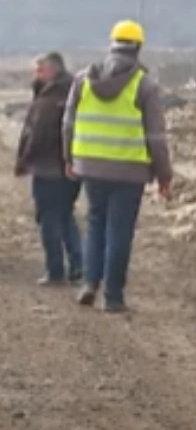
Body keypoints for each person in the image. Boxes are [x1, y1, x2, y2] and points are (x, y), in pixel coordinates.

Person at [62, 19, 174, 312]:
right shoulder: (144, 85)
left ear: (112, 44)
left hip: (91, 168)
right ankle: (113, 297)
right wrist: (164, 176)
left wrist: (69, 159)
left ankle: (89, 283)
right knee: (120, 231)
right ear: (138, 47)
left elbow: (68, 124)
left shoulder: (84, 79)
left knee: (95, 224)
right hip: (130, 170)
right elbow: (156, 137)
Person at [15, 51, 83, 285]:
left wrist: (25, 160)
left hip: (49, 169)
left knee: (49, 220)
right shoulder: (73, 93)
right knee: (65, 216)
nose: (36, 75)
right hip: (70, 169)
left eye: (40, 70)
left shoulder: (51, 99)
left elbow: (37, 135)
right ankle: (78, 265)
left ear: (53, 71)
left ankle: (55, 271)